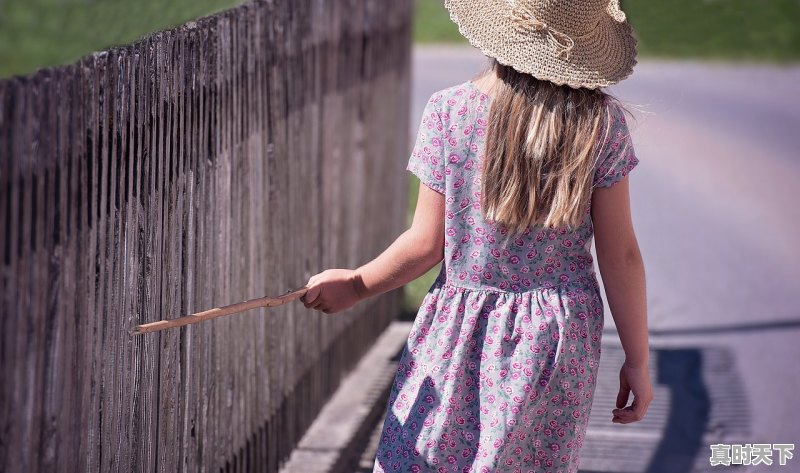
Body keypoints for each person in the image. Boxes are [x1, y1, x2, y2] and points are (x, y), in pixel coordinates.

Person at [301, 0, 652, 471]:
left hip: (459, 329)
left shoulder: (450, 111)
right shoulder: (601, 125)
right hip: (556, 337)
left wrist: (357, 284)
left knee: (425, 456)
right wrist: (637, 359)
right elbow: (621, 255)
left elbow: (426, 243)